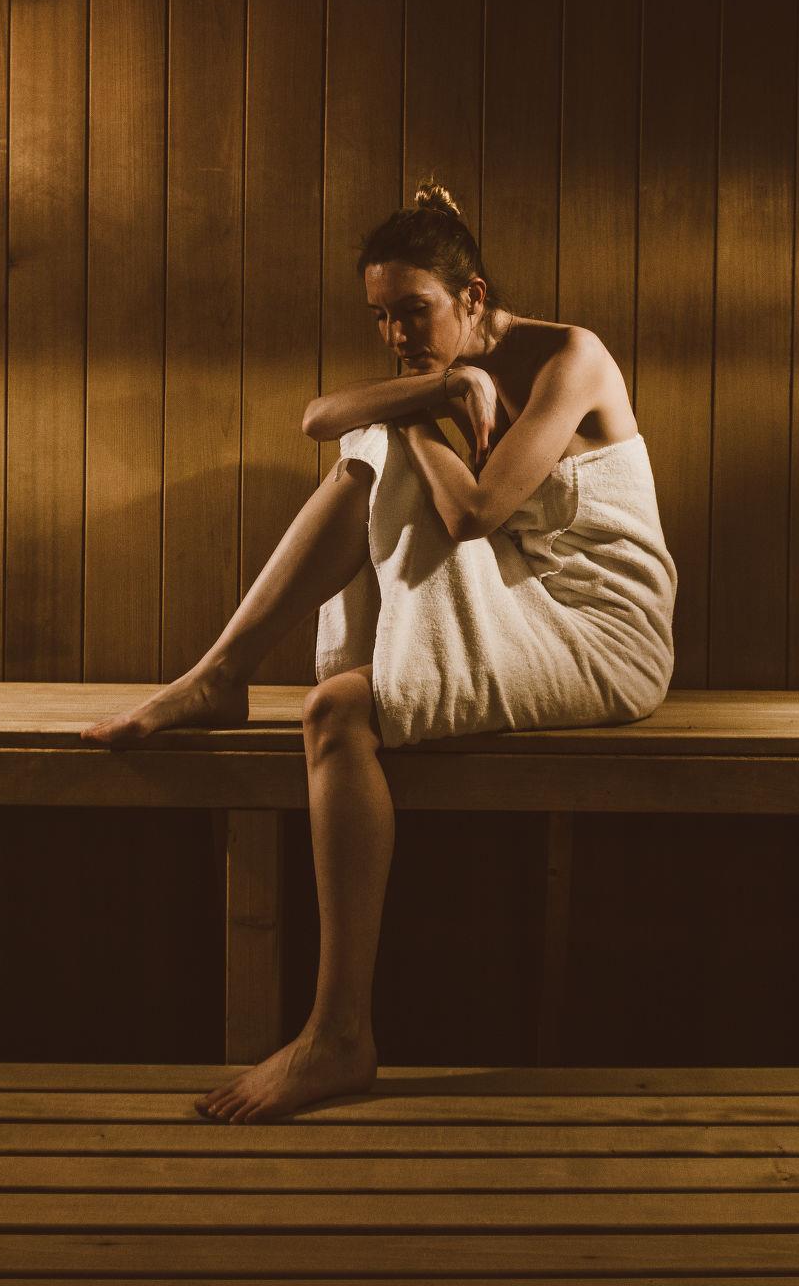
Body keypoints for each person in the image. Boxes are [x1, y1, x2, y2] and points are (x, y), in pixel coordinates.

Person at [81, 179, 677, 1122]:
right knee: (368, 450)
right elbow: (317, 416)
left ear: (473, 297)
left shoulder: (573, 358)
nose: (397, 334)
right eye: (381, 317)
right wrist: (437, 389)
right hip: (523, 595)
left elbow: (474, 514)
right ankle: (219, 676)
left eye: (415, 311)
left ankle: (338, 1037)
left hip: (602, 631)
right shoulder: (445, 365)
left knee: (339, 685)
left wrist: (415, 417)